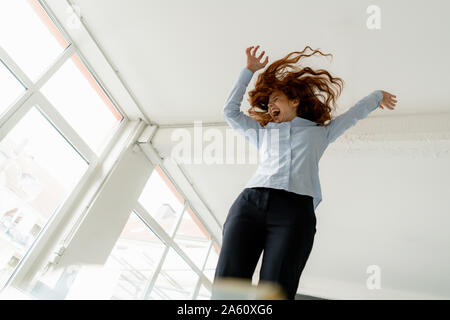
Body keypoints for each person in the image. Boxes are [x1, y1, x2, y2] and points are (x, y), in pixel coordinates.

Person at [212, 45, 397, 300]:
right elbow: (229, 112)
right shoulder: (263, 132)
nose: (269, 107)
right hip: (250, 204)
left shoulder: (320, 133)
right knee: (228, 285)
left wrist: (377, 96)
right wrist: (248, 71)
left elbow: (353, 115)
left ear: (294, 100)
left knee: (275, 291)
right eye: (267, 104)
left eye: (275, 99)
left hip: (294, 211)